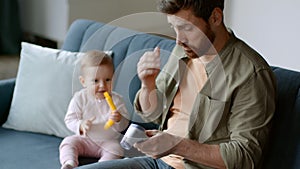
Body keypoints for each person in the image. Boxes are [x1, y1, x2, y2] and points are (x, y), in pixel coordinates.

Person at [77, 0, 276, 168]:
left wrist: (177, 145)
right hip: (158, 162)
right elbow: (153, 114)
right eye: (174, 28)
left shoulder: (250, 74)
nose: (179, 40)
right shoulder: (184, 51)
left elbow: (245, 156)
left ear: (215, 18)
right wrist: (148, 85)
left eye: (187, 28)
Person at [59, 50, 129, 169]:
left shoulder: (117, 101)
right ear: (83, 82)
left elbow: (124, 126)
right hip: (84, 140)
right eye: (96, 81)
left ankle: (101, 166)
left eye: (107, 80)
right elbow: (70, 119)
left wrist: (119, 120)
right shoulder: (79, 98)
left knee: (117, 149)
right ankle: (69, 163)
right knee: (68, 142)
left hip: (108, 141)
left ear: (113, 79)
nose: (102, 85)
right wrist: (80, 125)